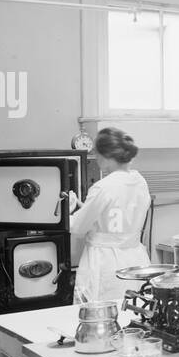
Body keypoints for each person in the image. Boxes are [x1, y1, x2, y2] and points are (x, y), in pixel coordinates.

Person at [68, 127, 151, 304]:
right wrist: (87, 209)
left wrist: (68, 212)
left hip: (106, 263)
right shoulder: (140, 182)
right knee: (134, 311)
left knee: (102, 315)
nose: (96, 159)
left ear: (105, 156)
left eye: (97, 154)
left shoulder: (103, 187)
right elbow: (117, 217)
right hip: (135, 258)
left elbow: (77, 228)